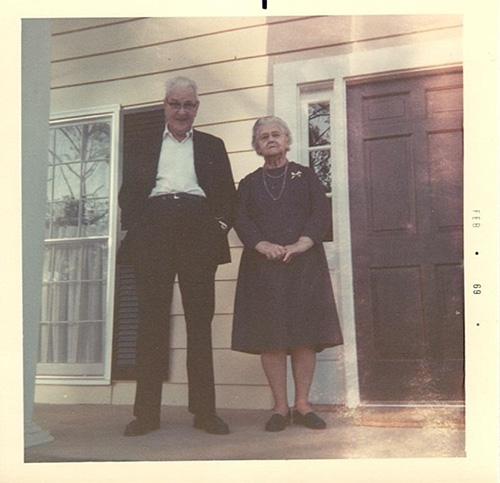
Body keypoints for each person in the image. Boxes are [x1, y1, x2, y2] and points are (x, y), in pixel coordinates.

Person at [118, 76, 236, 436]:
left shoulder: (213, 146)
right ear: (165, 105)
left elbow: (228, 198)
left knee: (199, 324)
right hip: (153, 232)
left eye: (189, 104)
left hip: (197, 231)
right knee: (151, 323)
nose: (182, 111)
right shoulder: (143, 144)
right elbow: (128, 196)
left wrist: (215, 229)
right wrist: (139, 227)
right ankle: (146, 415)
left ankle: (205, 412)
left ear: (196, 108)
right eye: (175, 104)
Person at [231, 116, 343, 432]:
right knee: (272, 338)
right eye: (263, 136)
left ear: (287, 139)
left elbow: (320, 213)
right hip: (263, 268)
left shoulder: (305, 176)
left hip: (304, 264)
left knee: (305, 336)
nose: (270, 139)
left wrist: (302, 243)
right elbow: (241, 219)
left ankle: (303, 405)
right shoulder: (250, 183)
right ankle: (281, 407)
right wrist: (261, 243)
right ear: (256, 145)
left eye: (276, 134)